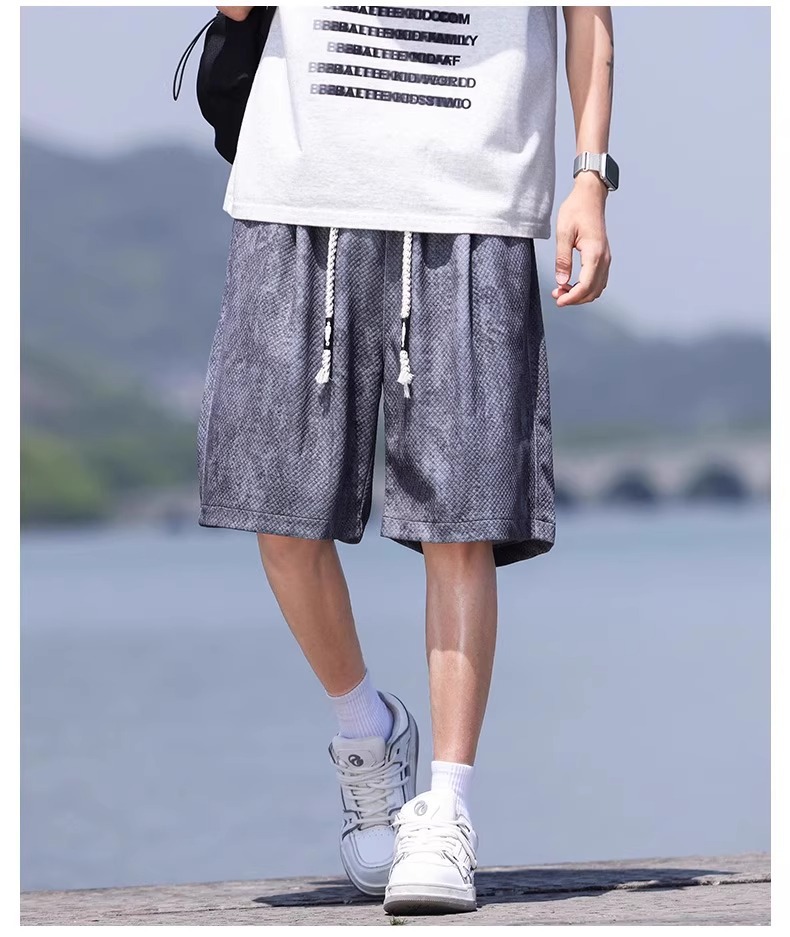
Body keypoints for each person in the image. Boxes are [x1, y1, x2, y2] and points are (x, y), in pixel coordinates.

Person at [200, 4, 615, 915]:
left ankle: (448, 808)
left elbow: (588, 16)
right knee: (278, 509)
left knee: (460, 518)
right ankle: (365, 732)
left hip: (473, 194)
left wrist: (590, 178)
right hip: (298, 186)